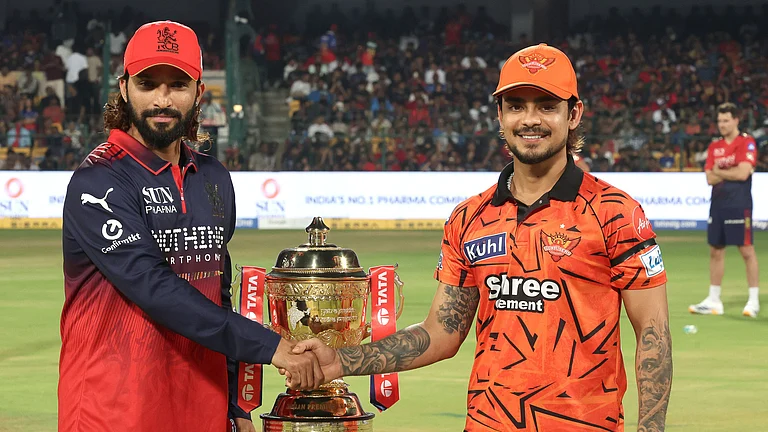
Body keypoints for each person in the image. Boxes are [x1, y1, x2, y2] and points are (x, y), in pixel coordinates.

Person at [291, 44, 673, 431]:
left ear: (573, 114)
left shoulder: (615, 212)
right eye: (516, 105)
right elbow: (440, 333)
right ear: (500, 115)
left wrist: (651, 428)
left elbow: (653, 335)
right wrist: (339, 360)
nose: (530, 119)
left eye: (546, 105)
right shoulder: (469, 217)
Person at [59, 21, 322, 432]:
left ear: (199, 92)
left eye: (177, 85)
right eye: (148, 84)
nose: (162, 99)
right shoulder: (100, 179)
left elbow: (218, 294)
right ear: (125, 88)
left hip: (202, 409)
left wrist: (236, 405)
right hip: (113, 412)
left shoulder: (213, 178)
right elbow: (155, 289)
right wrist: (273, 348)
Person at [689, 102, 760, 318]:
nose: (722, 124)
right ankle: (713, 300)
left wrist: (721, 170)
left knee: (746, 250)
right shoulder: (714, 147)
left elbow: (743, 174)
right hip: (718, 204)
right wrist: (727, 171)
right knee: (716, 250)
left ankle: (753, 301)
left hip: (739, 203)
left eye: (726, 120)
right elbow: (710, 177)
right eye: (719, 120)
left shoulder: (746, 142)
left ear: (736, 120)